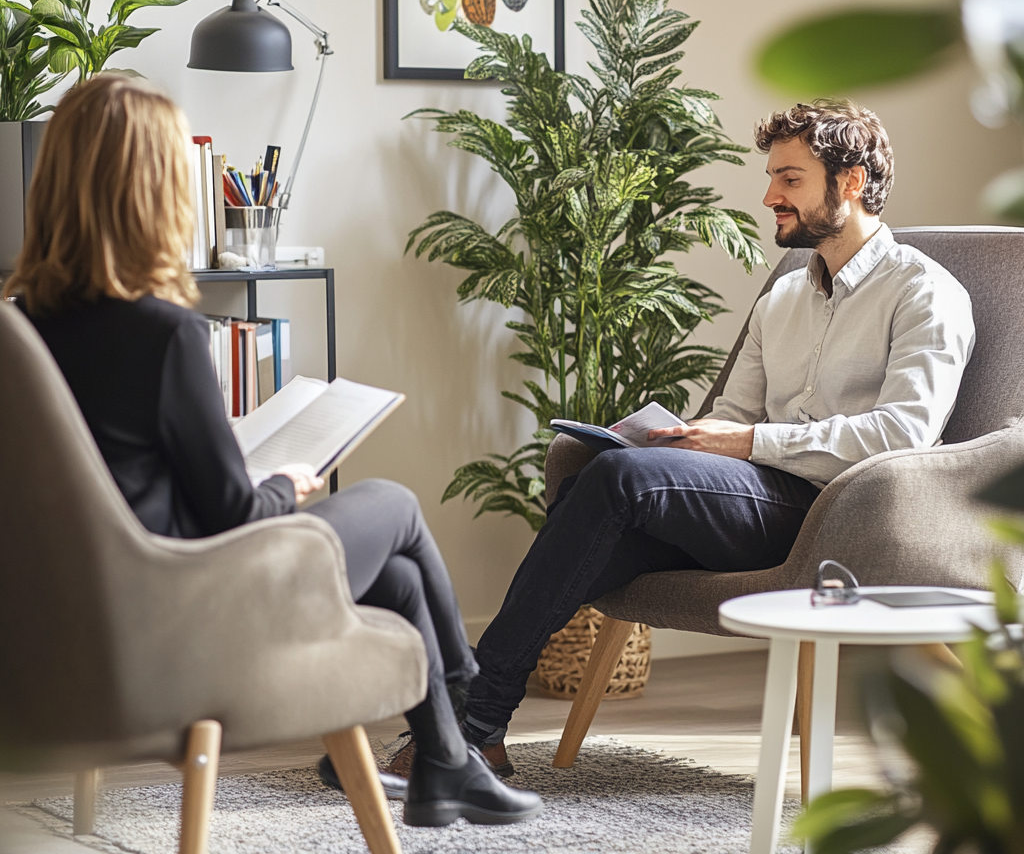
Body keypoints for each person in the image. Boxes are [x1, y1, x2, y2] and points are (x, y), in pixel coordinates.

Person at [2, 74, 541, 829]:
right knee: (394, 507)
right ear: (154, 192)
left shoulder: (19, 331)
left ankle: (447, 761)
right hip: (184, 616)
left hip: (78, 624)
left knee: (395, 574)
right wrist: (288, 484)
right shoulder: (165, 335)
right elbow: (231, 514)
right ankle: (464, 721)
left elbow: (123, 486)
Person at [458, 98, 977, 768]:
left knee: (615, 485)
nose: (770, 197)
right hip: (758, 496)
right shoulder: (783, 296)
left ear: (850, 182)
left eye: (790, 179)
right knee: (604, 476)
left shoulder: (925, 293)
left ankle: (469, 722)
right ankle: (477, 727)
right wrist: (677, 439)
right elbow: (737, 414)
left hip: (843, 514)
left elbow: (900, 436)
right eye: (772, 178)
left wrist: (742, 444)